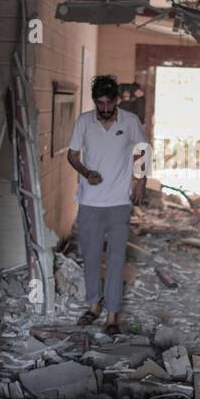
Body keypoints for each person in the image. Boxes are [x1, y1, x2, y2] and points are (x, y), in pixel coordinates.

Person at [65, 74, 148, 335]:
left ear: (116, 100)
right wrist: (86, 171)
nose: (103, 108)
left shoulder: (130, 121)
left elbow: (143, 150)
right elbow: (72, 155)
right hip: (89, 201)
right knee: (90, 256)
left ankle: (112, 315)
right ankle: (93, 306)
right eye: (99, 103)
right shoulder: (84, 122)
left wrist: (140, 182)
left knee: (115, 258)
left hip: (119, 201)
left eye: (108, 103)